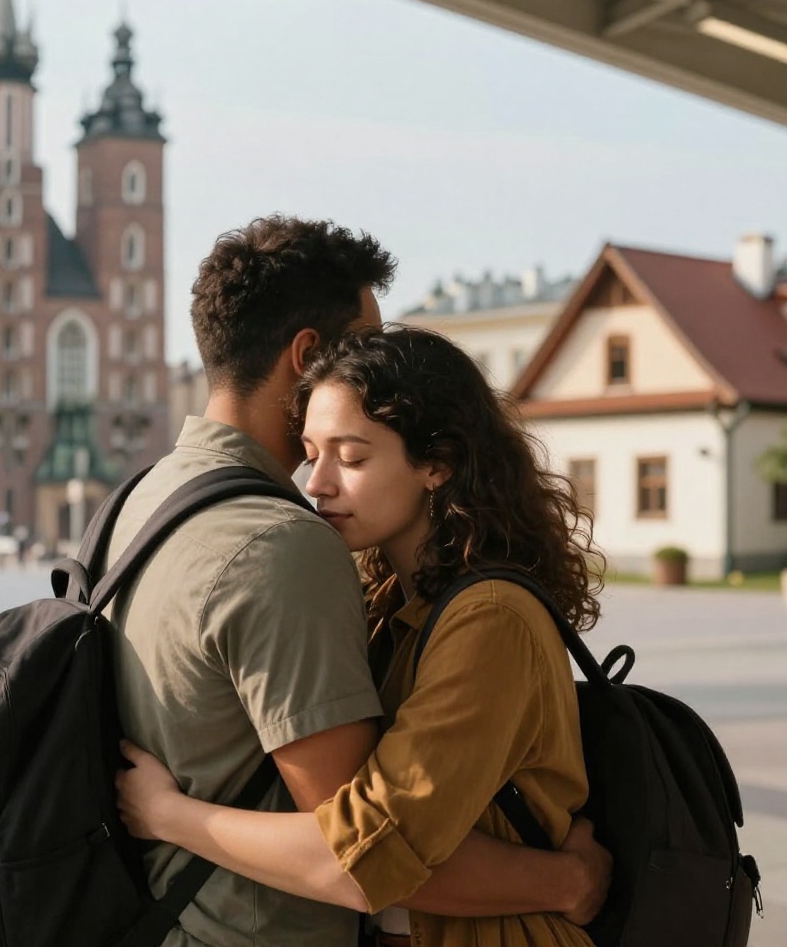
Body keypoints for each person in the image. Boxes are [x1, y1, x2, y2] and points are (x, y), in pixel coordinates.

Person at [106, 219, 609, 947]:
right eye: (313, 452)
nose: (317, 482)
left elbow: (369, 851)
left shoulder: (490, 617)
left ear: (437, 463)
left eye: (352, 455)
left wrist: (168, 815)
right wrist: (564, 879)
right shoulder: (385, 600)